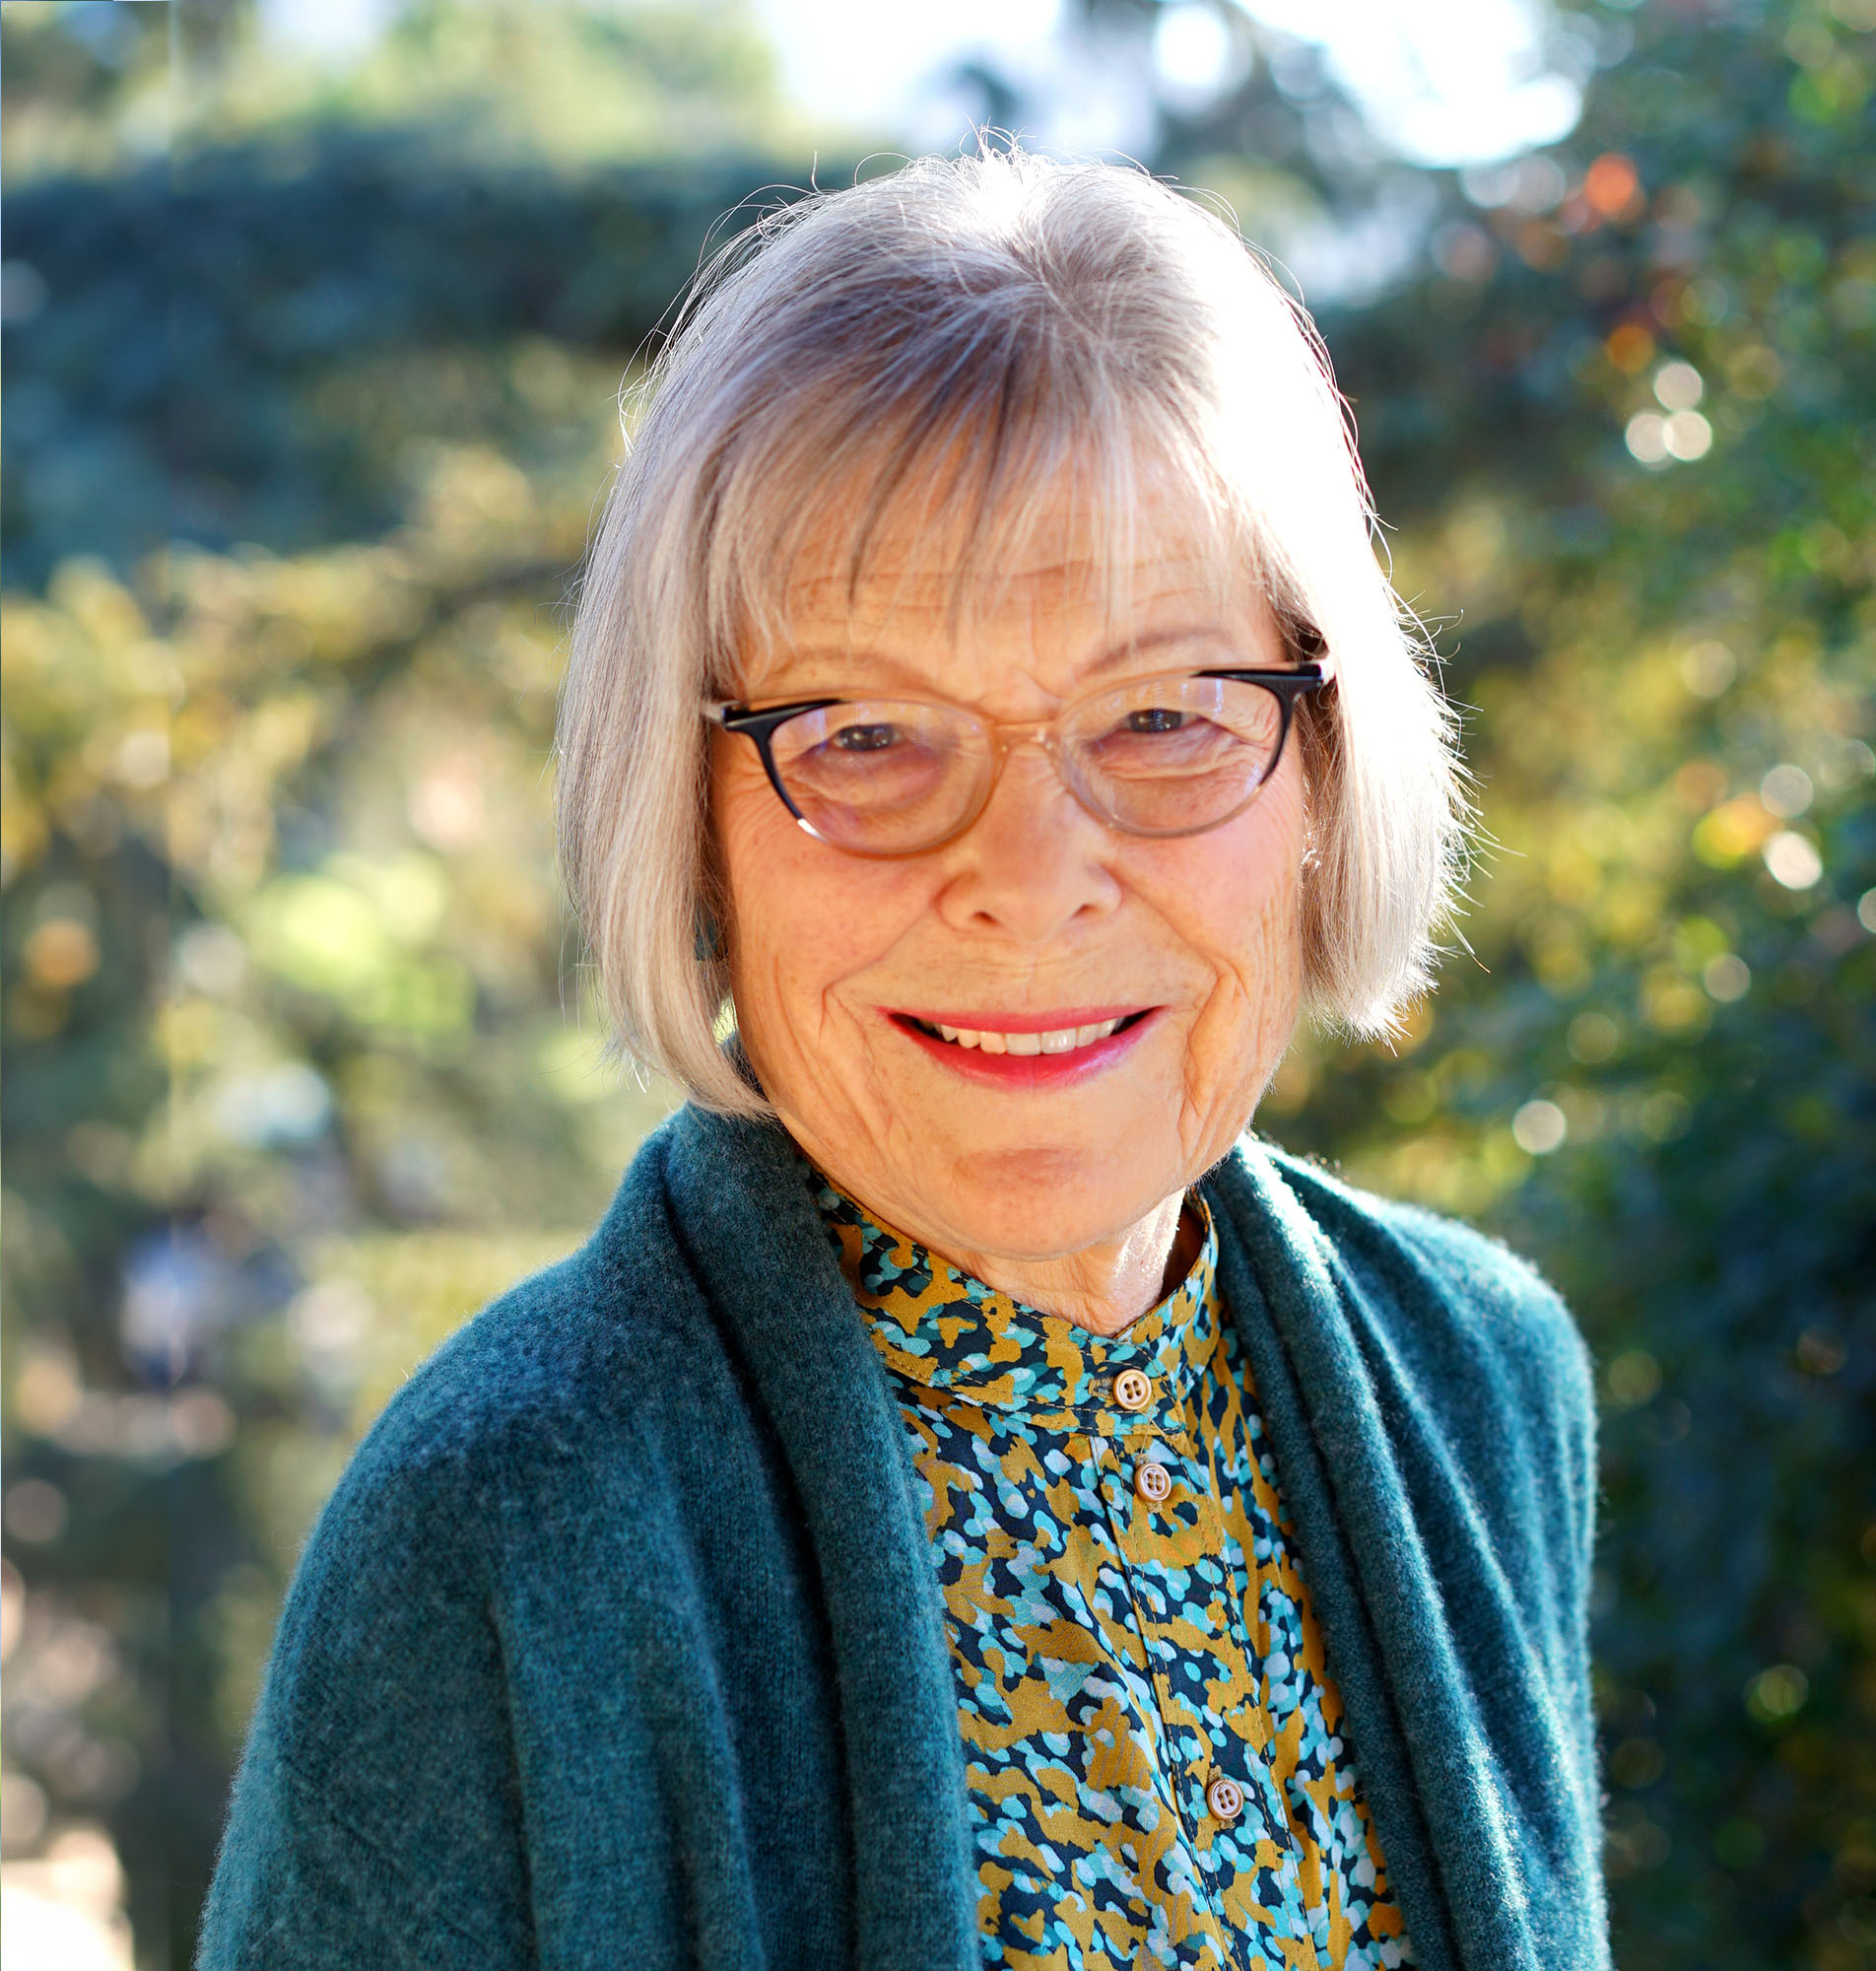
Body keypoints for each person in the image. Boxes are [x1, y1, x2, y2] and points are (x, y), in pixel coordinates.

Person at [199, 147, 1607, 1971]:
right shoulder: (509, 1529)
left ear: (1328, 771)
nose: (1027, 883)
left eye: (1166, 714)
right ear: (690, 823)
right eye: (865, 735)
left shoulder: (1482, 1381)